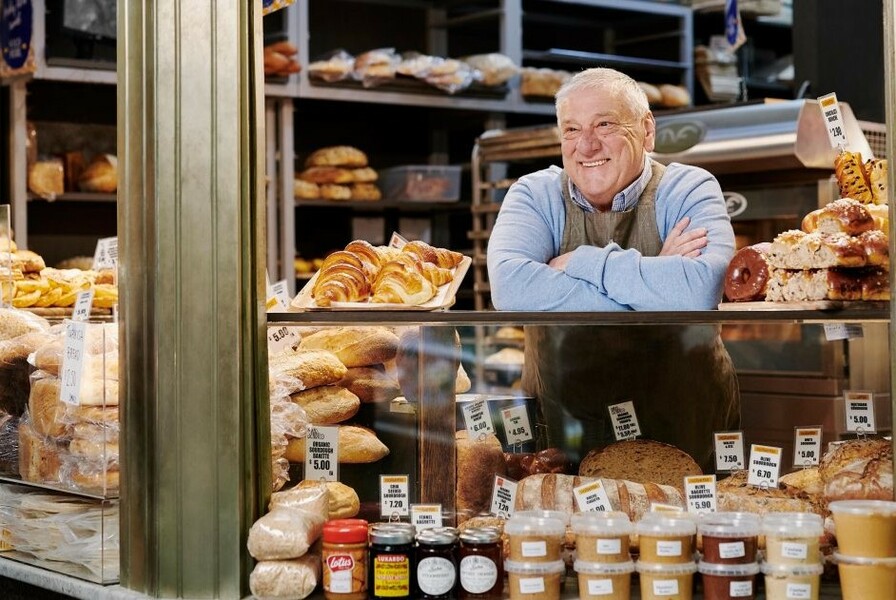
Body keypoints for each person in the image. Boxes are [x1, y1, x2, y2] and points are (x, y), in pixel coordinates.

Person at [486, 68, 739, 470]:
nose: (586, 145)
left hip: (684, 426)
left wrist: (582, 262)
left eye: (604, 124)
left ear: (647, 130)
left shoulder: (689, 188)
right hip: (565, 429)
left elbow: (699, 293)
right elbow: (510, 288)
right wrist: (657, 277)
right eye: (571, 129)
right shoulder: (534, 194)